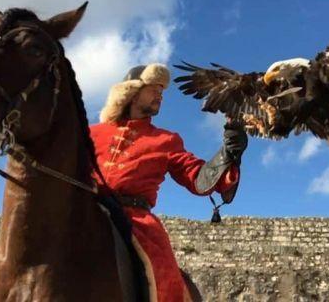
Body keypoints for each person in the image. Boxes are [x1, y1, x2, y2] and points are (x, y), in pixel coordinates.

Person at [89, 63, 247, 301]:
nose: (160, 95)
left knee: (165, 275)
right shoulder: (92, 132)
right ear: (131, 92)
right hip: (85, 207)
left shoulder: (166, 140)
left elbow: (198, 178)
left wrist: (229, 152)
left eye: (162, 92)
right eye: (154, 89)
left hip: (135, 220)